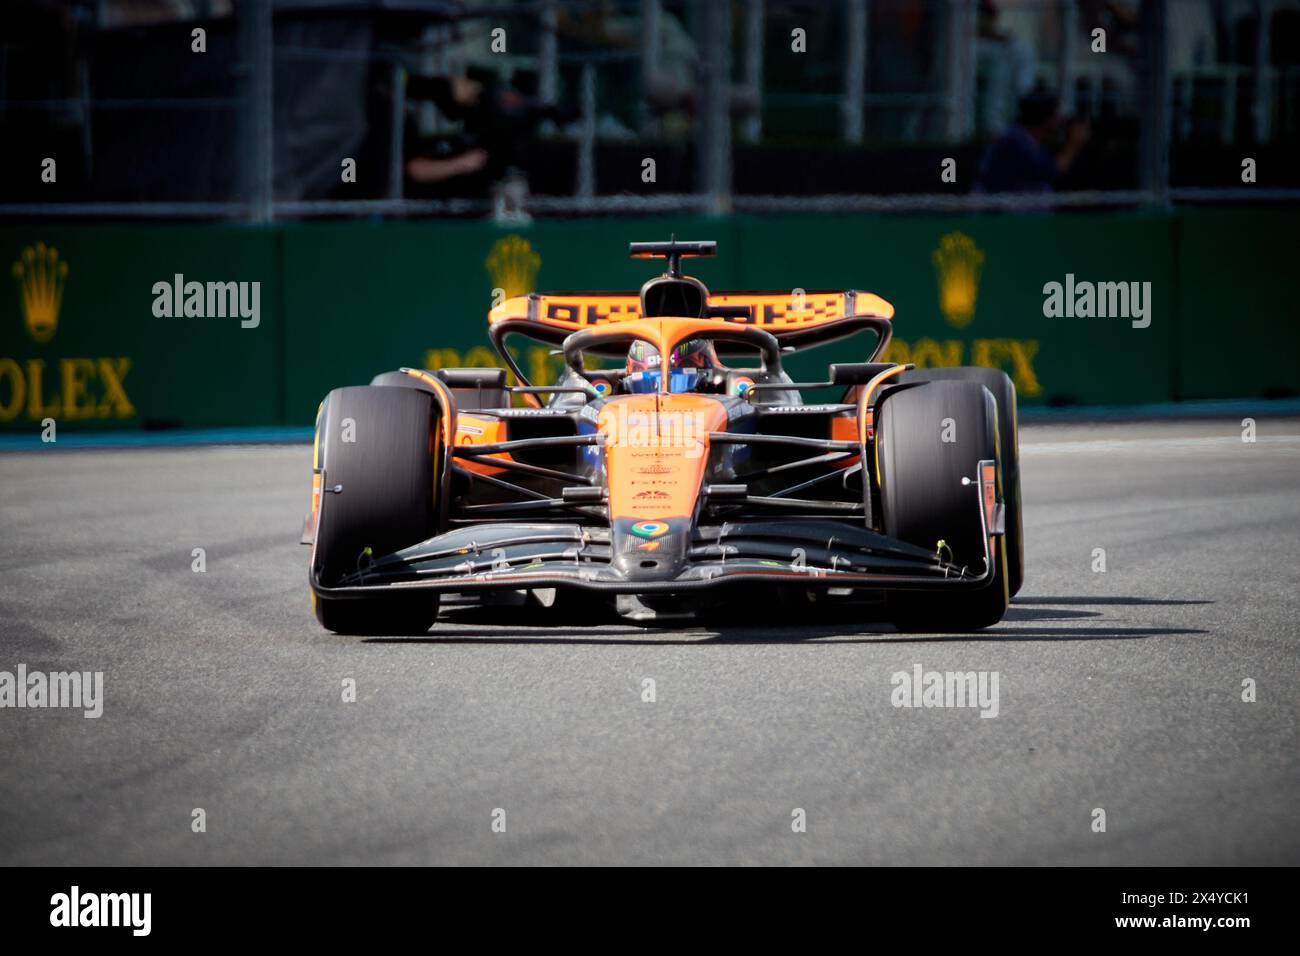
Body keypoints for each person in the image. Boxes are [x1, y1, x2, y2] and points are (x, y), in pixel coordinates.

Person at [974, 90, 1091, 194]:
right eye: (1056, 115)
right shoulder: (1016, 140)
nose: (1060, 120)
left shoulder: (1027, 139)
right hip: (1001, 211)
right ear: (1045, 118)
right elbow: (1049, 172)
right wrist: (1074, 145)